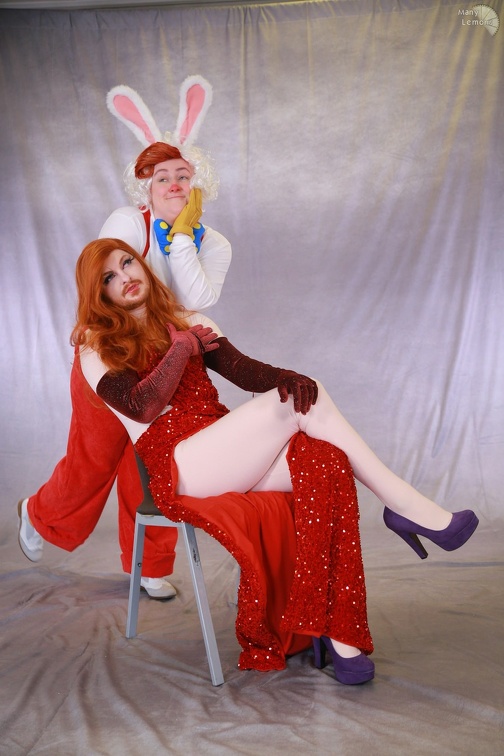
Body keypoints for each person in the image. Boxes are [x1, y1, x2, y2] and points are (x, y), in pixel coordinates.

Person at [67, 237, 478, 683]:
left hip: (224, 451)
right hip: (179, 467)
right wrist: (181, 349)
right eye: (108, 278)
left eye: (127, 262)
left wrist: (288, 377)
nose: (125, 277)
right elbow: (142, 407)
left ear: (142, 264)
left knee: (325, 461)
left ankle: (338, 634)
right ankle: (407, 506)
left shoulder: (189, 320)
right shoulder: (95, 346)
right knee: (297, 405)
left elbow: (244, 372)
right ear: (98, 294)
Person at [18, 141, 232, 599]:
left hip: (165, 359)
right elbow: (103, 281)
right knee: (93, 460)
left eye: (183, 175)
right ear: (146, 189)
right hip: (109, 351)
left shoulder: (214, 244)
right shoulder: (127, 222)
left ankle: (149, 566)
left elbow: (194, 302)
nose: (173, 185)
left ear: (198, 184)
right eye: (162, 178)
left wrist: (181, 236)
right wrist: (91, 336)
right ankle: (39, 514)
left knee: (151, 462)